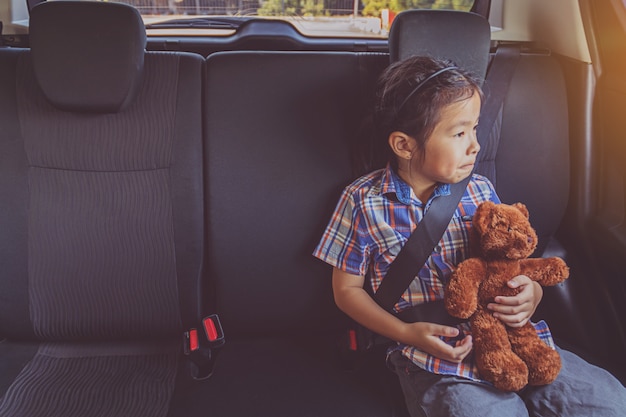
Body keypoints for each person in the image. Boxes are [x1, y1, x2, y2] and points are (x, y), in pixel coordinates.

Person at [313, 56, 626, 417]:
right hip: (436, 357)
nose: (476, 145)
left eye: (476, 129)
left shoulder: (480, 189)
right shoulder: (362, 202)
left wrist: (532, 293)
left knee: (609, 403)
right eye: (460, 133)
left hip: (516, 341)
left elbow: (509, 261)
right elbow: (346, 291)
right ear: (404, 145)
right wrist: (405, 333)